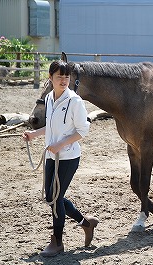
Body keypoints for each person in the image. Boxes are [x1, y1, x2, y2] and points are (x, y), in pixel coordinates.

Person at [23, 60, 99, 257]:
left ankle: (57, 242)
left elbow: (83, 131)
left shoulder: (75, 101)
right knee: (51, 197)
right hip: (51, 156)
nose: (64, 80)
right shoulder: (49, 98)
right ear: (51, 78)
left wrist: (61, 144)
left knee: (55, 197)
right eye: (59, 76)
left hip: (68, 157)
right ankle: (86, 223)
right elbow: (52, 126)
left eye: (67, 77)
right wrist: (34, 135)